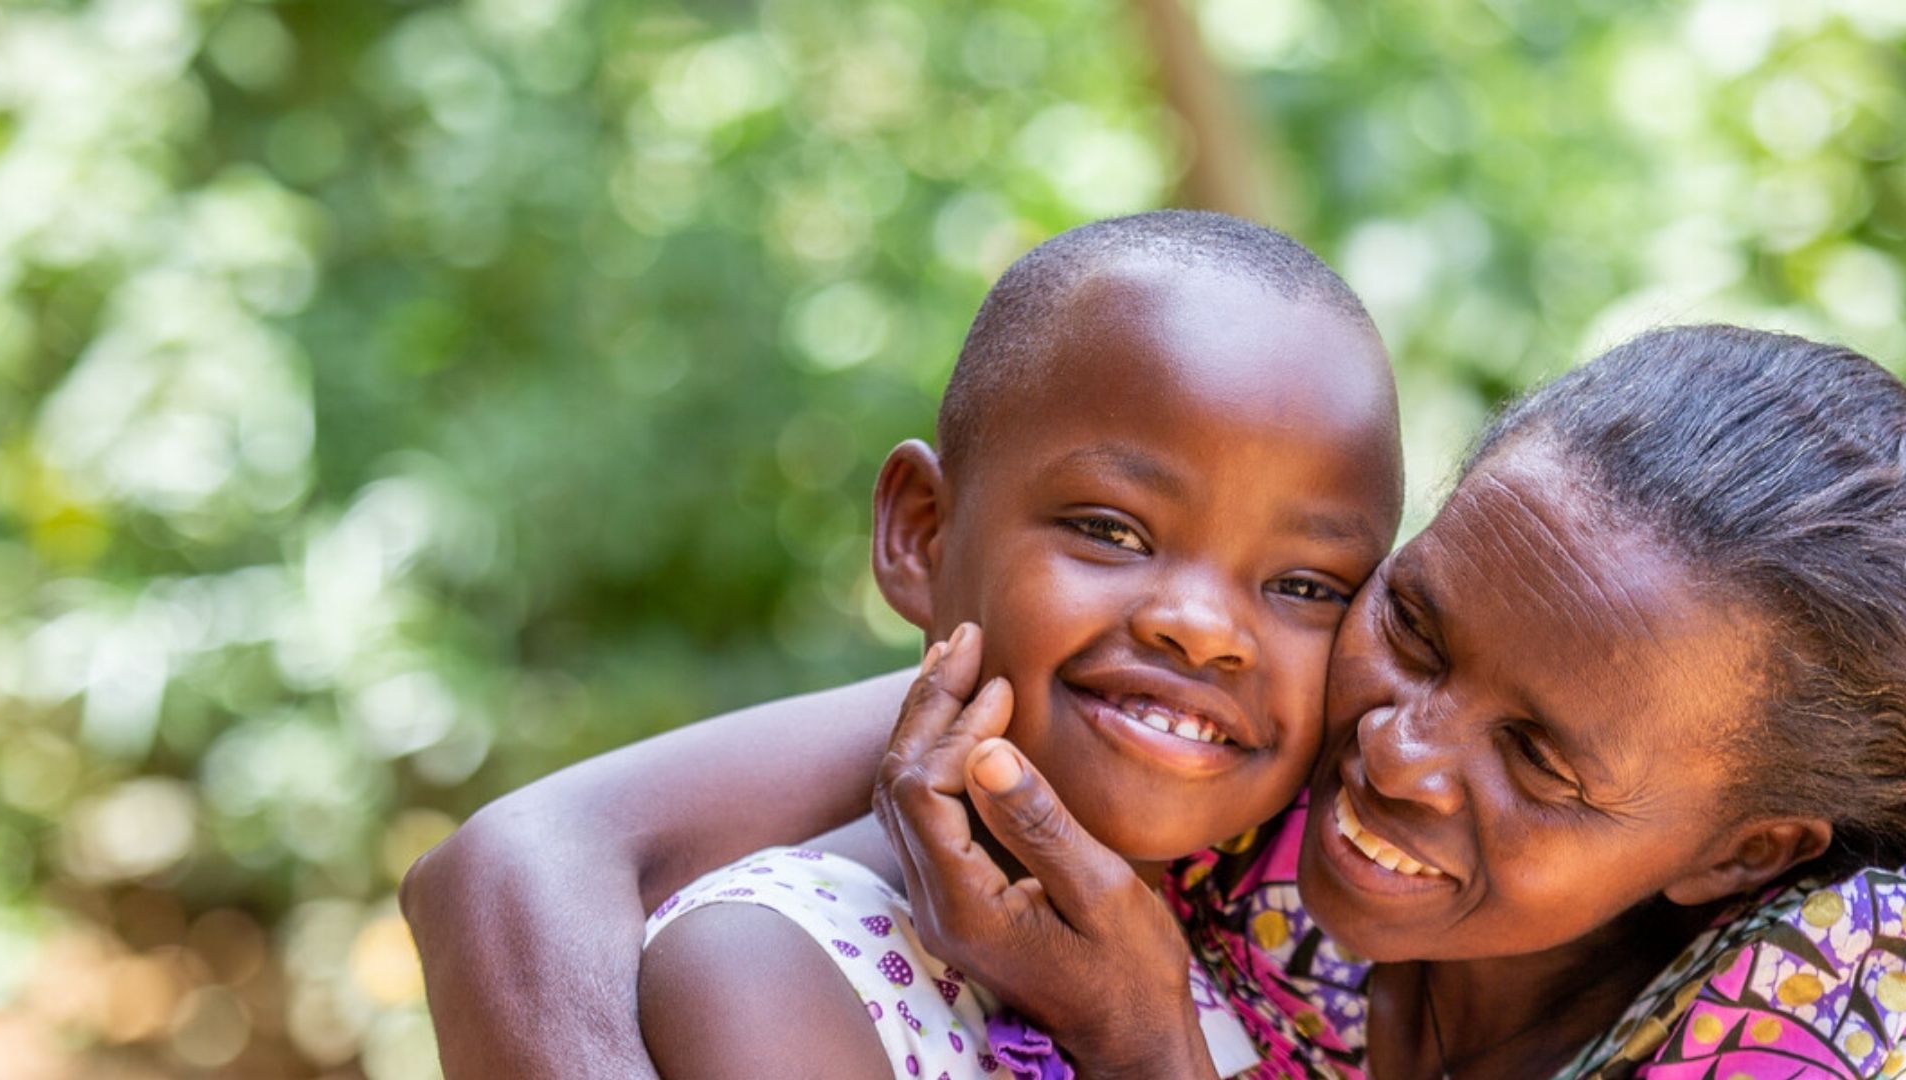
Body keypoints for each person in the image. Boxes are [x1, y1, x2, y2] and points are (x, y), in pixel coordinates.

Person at [403, 327, 1906, 1078]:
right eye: (1420, 625)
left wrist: (1139, 1034)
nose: (1396, 750)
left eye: (1540, 761)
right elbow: (518, 866)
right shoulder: (1250, 697)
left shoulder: (1821, 1011)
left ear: (1744, 850)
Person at [633, 211, 1405, 1080]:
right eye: (1111, 531)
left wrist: (1142, 1036)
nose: (1203, 627)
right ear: (923, 534)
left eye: (1305, 587)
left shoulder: (1288, 968)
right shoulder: (771, 967)